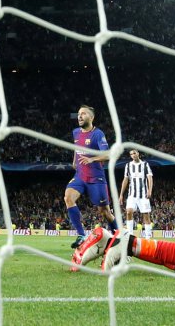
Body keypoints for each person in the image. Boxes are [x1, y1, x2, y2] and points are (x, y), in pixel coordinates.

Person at [65, 105, 118, 257]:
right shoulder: (75, 132)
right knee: (68, 197)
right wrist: (75, 161)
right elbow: (76, 148)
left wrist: (92, 158)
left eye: (84, 114)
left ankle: (117, 236)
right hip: (80, 175)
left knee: (105, 212)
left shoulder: (98, 134)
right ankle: (81, 234)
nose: (79, 116)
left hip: (96, 178)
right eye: (79, 114)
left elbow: (108, 154)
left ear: (91, 118)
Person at [118, 149, 154, 239]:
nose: (133, 155)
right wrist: (121, 194)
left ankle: (148, 237)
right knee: (129, 211)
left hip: (143, 195)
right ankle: (130, 235)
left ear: (138, 153)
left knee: (146, 216)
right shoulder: (128, 165)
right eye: (131, 154)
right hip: (132, 195)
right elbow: (125, 179)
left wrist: (149, 190)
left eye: (134, 153)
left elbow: (150, 177)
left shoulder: (145, 164)